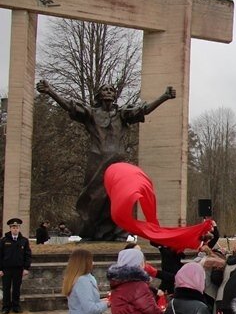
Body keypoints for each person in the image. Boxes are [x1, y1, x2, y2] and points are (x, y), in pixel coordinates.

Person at [36, 80, 175, 240]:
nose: (109, 91)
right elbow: (71, 106)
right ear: (99, 95)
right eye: (105, 89)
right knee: (93, 197)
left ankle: (118, 233)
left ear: (115, 95)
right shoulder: (92, 113)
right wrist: (50, 92)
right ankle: (90, 232)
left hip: (118, 164)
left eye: (111, 89)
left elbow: (143, 110)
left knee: (118, 197)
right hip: (97, 162)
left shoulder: (122, 114)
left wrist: (164, 97)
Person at [0, 218, 32, 314]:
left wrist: (26, 268)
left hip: (18, 269)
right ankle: (5, 307)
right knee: (6, 288)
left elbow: (27, 255)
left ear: (19, 228)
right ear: (10, 228)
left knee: (16, 289)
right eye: (13, 227)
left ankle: (16, 306)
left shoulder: (24, 241)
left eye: (17, 227)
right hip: (6, 269)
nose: (15, 229)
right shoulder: (4, 240)